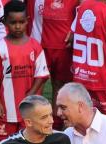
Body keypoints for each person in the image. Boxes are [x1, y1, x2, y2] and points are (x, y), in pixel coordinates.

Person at [0, 0, 49, 144]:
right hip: (7, 108)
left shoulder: (35, 47)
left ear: (27, 21)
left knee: (30, 140)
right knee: (4, 142)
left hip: (29, 107)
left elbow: (42, 75)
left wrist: (30, 93)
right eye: (13, 22)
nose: (18, 26)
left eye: (21, 22)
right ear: (5, 22)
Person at [27, 0, 79, 129]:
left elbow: (83, 7)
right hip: (37, 44)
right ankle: (33, 126)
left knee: (60, 86)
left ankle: (57, 125)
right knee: (34, 87)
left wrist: (74, 30)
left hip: (64, 45)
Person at [71, 0, 106, 117]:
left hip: (81, 77)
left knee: (83, 117)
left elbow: (72, 37)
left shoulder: (81, 7)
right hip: (105, 79)